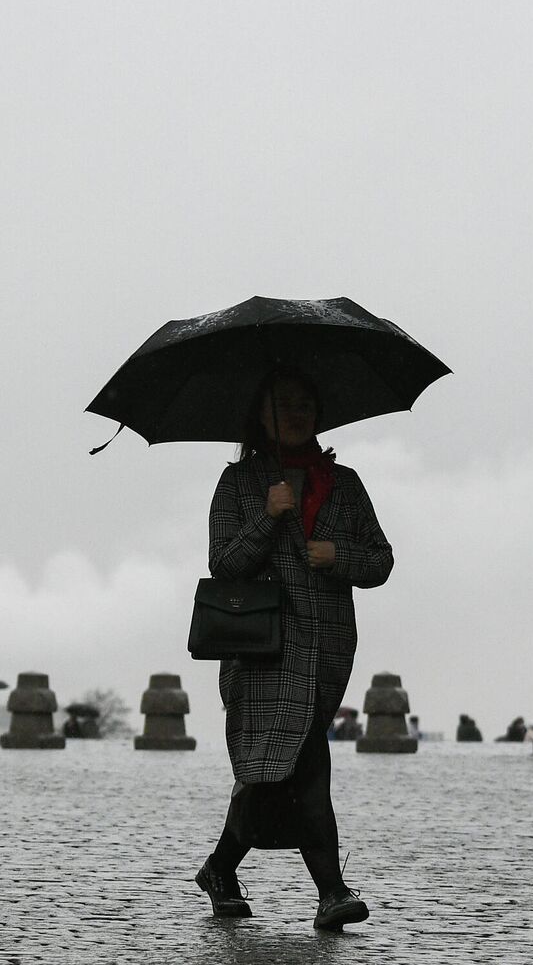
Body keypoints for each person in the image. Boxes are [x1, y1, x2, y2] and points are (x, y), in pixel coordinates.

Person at [196, 371, 393, 932]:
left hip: (325, 650)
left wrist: (339, 554)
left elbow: (380, 561)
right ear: (261, 414)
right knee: (303, 766)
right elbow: (223, 563)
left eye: (306, 403)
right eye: (284, 405)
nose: (297, 413)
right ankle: (331, 893)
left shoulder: (345, 485)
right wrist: (269, 514)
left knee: (271, 772)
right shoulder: (238, 484)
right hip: (259, 651)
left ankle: (219, 868)